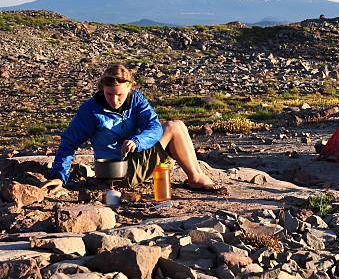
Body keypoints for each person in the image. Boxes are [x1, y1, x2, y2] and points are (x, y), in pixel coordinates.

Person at [43, 64, 227, 195]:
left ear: (130, 87)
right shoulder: (91, 110)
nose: (114, 100)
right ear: (102, 89)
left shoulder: (136, 100)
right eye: (109, 94)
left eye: (119, 94)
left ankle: (197, 176)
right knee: (173, 127)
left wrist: (138, 141)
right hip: (116, 172)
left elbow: (153, 127)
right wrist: (59, 176)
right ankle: (195, 178)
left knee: (176, 125)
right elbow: (69, 143)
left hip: (136, 157)